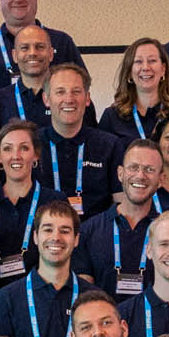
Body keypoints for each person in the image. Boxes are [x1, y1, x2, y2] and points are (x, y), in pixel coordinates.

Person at [0, 199, 88, 337]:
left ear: (76, 239)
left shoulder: (92, 299)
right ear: (35, 237)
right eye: (48, 229)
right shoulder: (7, 298)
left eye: (65, 231)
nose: (56, 237)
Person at [0, 119, 65, 290]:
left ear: (36, 154)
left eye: (24, 148)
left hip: (41, 294)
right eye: (8, 149)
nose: (16, 156)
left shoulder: (54, 201)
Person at [75, 137, 161, 299]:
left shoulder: (168, 233)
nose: (140, 175)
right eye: (133, 167)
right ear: (120, 174)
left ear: (161, 179)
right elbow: (84, 297)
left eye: (149, 169)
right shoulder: (88, 231)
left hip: (152, 316)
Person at [38, 63, 120, 220]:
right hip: (45, 232)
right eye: (60, 92)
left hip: (96, 233)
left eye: (76, 92)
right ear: (46, 99)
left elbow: (121, 204)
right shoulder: (32, 145)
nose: (69, 99)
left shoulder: (110, 145)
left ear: (87, 98)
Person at [99, 39, 169, 143]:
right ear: (129, 71)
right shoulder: (111, 117)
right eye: (138, 61)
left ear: (163, 69)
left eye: (152, 61)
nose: (145, 67)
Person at [0, 23, 55, 128]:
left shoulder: (69, 98)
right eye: (25, 48)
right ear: (15, 55)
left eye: (40, 47)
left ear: (51, 54)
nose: (32, 53)